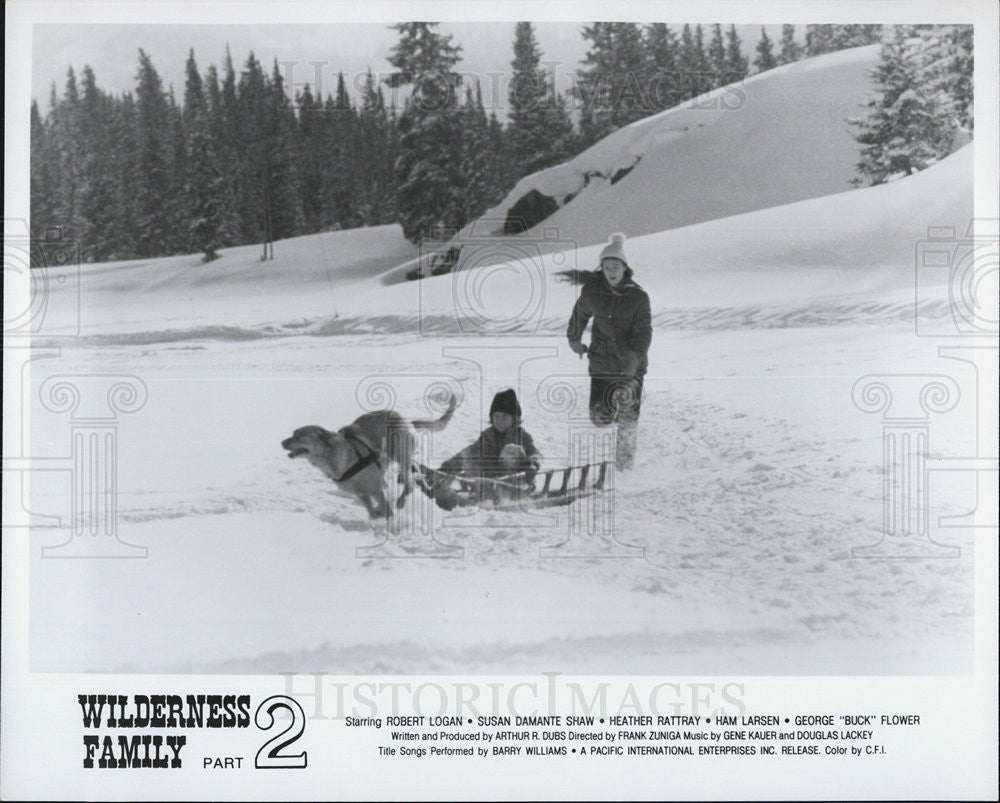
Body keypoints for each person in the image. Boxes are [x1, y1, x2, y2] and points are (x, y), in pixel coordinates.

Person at [566, 232, 652, 470]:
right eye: (607, 267)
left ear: (625, 268)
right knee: (599, 417)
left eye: (616, 266)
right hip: (602, 362)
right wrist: (574, 340)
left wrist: (633, 361)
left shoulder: (639, 297)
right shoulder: (592, 292)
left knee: (628, 418)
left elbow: (644, 332)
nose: (611, 271)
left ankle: (624, 467)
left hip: (631, 367)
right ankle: (612, 408)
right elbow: (579, 315)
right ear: (601, 268)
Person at [430, 389, 542, 510]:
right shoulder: (488, 436)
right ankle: (446, 490)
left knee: (511, 451)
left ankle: (508, 496)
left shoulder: (522, 436)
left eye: (505, 417)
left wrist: (532, 464)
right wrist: (449, 466)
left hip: (514, 481)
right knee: (471, 461)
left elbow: (534, 453)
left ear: (514, 418)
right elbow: (470, 452)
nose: (500, 421)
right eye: (496, 416)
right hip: (490, 481)